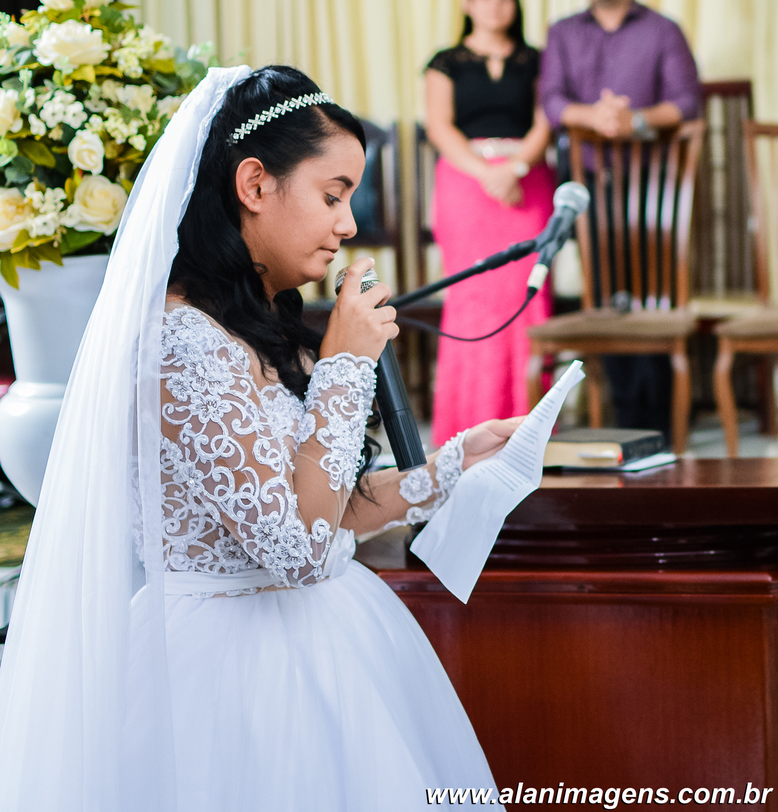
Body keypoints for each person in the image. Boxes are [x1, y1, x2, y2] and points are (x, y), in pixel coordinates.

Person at [0, 65, 523, 811]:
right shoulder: (180, 343)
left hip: (330, 643)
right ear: (254, 184)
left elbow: (324, 502)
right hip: (221, 679)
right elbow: (297, 547)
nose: (347, 224)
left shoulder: (260, 327)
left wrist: (449, 465)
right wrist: (344, 363)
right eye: (332, 195)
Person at [538, 0, 702, 441]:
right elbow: (551, 101)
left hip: (652, 188)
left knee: (654, 296)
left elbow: (687, 101)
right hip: (592, 190)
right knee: (608, 300)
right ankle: (625, 420)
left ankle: (662, 422)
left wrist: (639, 121)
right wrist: (593, 118)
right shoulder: (563, 32)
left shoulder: (663, 30)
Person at [424, 0, 554, 447]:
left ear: (516, 7)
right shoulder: (444, 63)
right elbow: (439, 127)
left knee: (528, 298)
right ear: (468, 3)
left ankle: (531, 428)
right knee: (472, 300)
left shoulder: (537, 60)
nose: (496, 5)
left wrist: (515, 167)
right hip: (466, 184)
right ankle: (466, 426)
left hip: (528, 182)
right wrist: (487, 174)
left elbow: (546, 122)